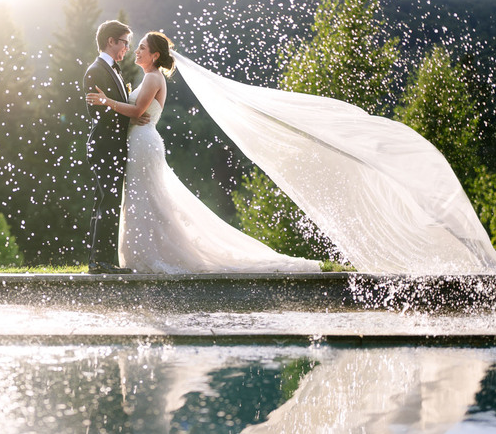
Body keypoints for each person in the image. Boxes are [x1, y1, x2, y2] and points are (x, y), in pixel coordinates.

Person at [88, 32, 322, 273]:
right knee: (144, 199)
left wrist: (108, 102)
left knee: (147, 199)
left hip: (144, 144)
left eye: (142, 48)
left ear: (155, 55)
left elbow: (137, 111)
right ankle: (148, 252)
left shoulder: (152, 78)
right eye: (136, 46)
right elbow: (137, 110)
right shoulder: (150, 77)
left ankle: (151, 254)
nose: (136, 51)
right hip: (141, 142)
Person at [82, 20, 138, 274]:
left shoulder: (112, 69)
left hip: (112, 146)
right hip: (105, 146)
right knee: (108, 201)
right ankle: (99, 261)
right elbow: (101, 114)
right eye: (125, 42)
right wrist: (132, 115)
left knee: (107, 201)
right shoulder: (96, 71)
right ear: (111, 41)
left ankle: (102, 259)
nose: (127, 48)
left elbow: (110, 107)